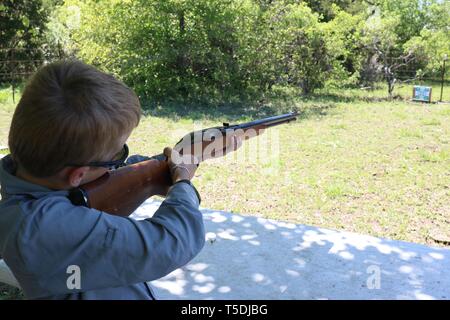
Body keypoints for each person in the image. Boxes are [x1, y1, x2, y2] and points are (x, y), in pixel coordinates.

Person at [0, 60, 229, 299]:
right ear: (77, 175)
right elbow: (171, 244)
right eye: (118, 155)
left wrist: (176, 159)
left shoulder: (32, 185)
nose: (119, 162)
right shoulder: (41, 228)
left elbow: (112, 177)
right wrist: (183, 182)